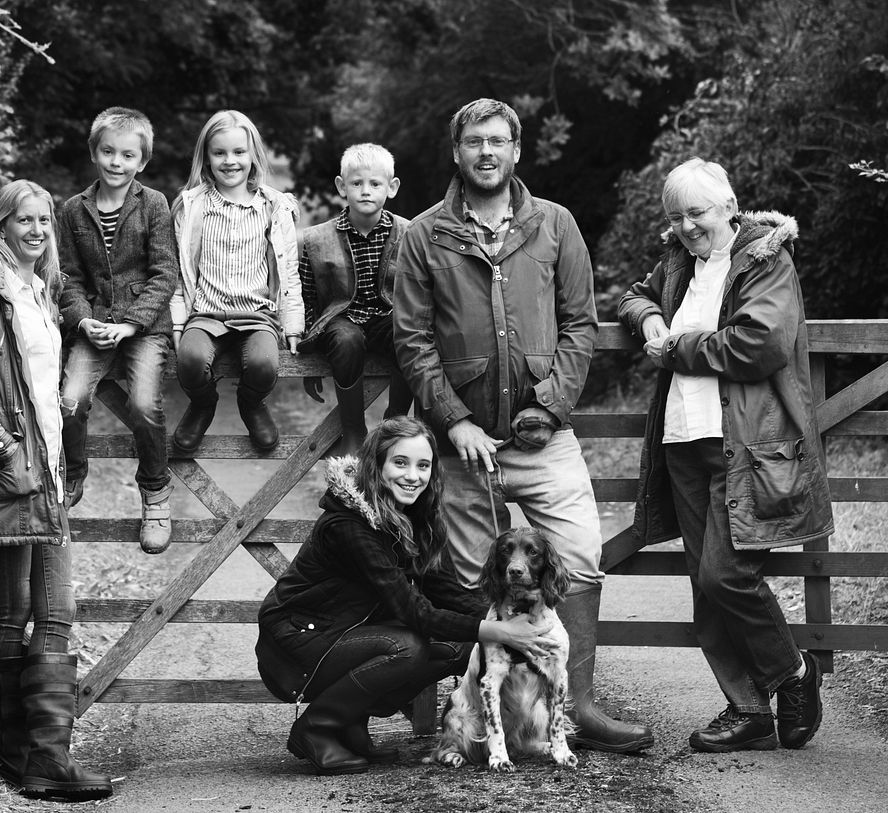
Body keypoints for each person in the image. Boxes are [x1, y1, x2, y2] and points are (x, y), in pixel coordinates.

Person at [392, 97, 653, 753]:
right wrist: (452, 421)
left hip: (543, 437)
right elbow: (412, 339)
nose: (486, 152)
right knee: (470, 575)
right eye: (474, 141)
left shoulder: (555, 225)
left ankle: (577, 708)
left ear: (516, 151)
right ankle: (477, 721)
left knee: (582, 552)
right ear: (457, 152)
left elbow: (580, 324)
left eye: (498, 141)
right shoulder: (424, 233)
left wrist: (552, 403)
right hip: (462, 446)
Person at [618, 157, 833, 753]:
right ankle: (748, 711)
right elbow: (633, 298)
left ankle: (792, 674)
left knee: (725, 574)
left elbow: (758, 343)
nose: (688, 226)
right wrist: (651, 317)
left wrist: (676, 348)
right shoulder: (676, 264)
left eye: (698, 213)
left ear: (729, 207)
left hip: (745, 444)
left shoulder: (766, 259)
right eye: (677, 216)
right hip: (684, 442)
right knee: (704, 584)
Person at [0, 180, 112, 801]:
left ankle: (24, 756)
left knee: (38, 612)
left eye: (44, 222)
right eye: (23, 220)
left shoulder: (38, 291)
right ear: (1, 226)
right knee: (29, 613)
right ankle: (33, 759)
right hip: (11, 474)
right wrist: (6, 451)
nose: (36, 230)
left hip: (46, 475)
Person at [256, 416, 558, 775]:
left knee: (460, 647)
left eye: (423, 465)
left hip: (345, 635)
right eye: (400, 463)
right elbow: (416, 613)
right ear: (376, 465)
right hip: (296, 643)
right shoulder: (349, 526)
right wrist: (499, 632)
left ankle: (349, 722)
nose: (413, 476)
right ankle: (316, 728)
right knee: (407, 646)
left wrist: (513, 619)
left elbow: (447, 593)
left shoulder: (418, 517)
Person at [58, 107, 179, 554]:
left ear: (141, 162)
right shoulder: (72, 209)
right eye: (108, 151)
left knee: (144, 404)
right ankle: (72, 473)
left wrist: (131, 324)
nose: (116, 162)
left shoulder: (154, 205)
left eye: (127, 155)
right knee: (70, 399)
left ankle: (155, 494)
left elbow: (165, 273)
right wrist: (81, 319)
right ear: (94, 153)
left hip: (144, 328)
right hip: (92, 325)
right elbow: (66, 276)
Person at [171, 109, 304, 453]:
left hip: (256, 313)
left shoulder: (274, 207)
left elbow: (288, 271)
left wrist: (292, 323)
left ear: (253, 155)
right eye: (219, 153)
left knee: (263, 364)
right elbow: (179, 269)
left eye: (238, 152)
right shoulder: (192, 207)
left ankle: (251, 403)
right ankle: (203, 404)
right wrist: (176, 323)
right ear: (206, 158)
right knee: (189, 359)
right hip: (206, 312)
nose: (230, 161)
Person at [298, 143, 413, 453]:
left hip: (386, 317)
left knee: (410, 331)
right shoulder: (314, 240)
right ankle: (353, 429)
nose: (365, 191)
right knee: (347, 340)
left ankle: (395, 425)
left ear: (392, 188)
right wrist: (307, 349)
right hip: (340, 321)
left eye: (375, 184)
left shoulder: (410, 234)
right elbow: (307, 297)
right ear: (341, 187)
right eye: (356, 183)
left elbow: (420, 295)